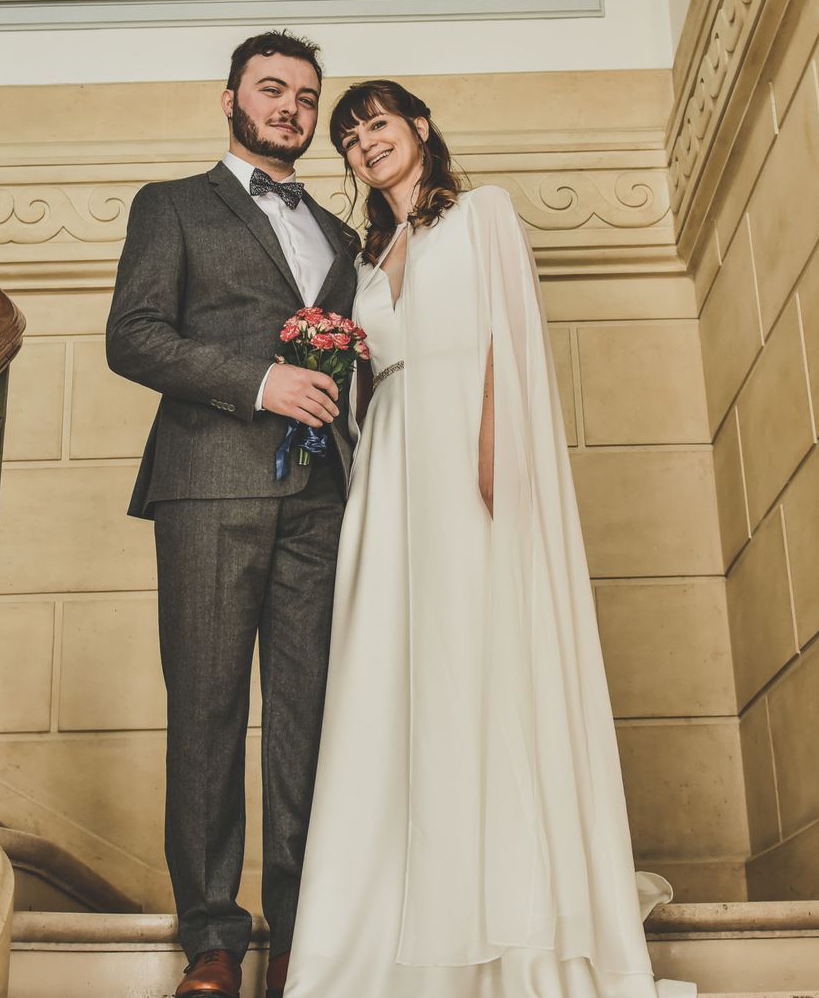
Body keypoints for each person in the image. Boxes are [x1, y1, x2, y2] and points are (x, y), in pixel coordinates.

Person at [285, 80, 695, 998]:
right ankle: (382, 921)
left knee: (480, 656)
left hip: (466, 454)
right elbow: (370, 383)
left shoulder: (482, 216)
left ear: (419, 127)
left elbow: (508, 343)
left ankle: (510, 920)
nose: (364, 145)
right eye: (348, 139)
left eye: (377, 125)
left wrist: (494, 457)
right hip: (388, 471)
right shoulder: (365, 258)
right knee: (391, 670)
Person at [106, 31, 361, 998]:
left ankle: (300, 934)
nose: (291, 107)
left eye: (306, 96)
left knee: (310, 720)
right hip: (209, 485)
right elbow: (133, 337)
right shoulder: (171, 205)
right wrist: (259, 382)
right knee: (207, 711)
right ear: (231, 100)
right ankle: (213, 936)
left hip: (323, 500)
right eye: (271, 89)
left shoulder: (343, 235)